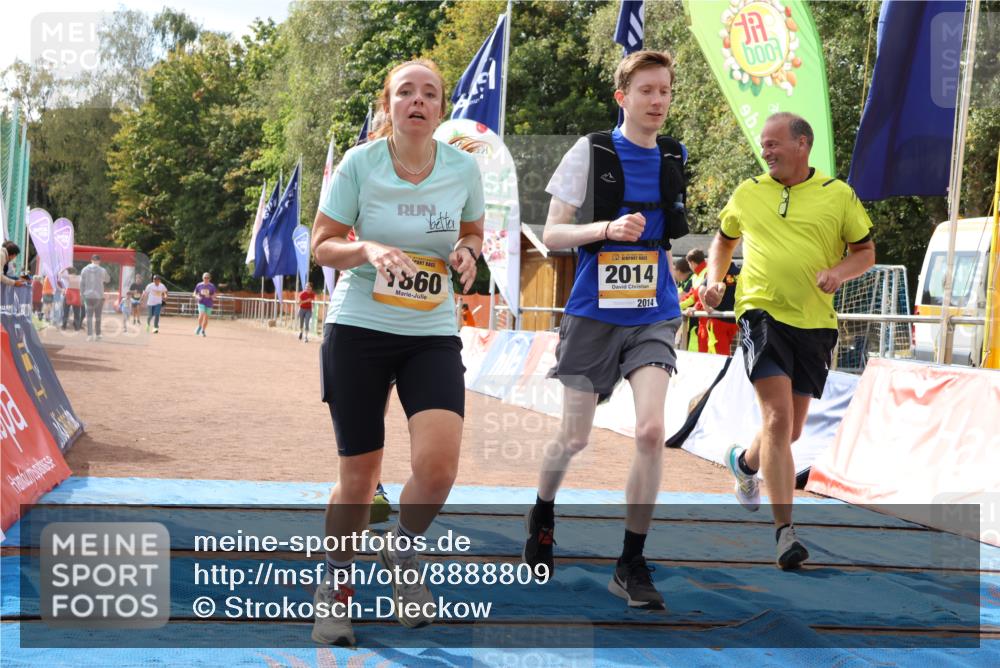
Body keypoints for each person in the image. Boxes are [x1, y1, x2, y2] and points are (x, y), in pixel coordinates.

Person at [310, 58, 484, 646]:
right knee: (359, 481)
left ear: (441, 108)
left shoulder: (462, 167)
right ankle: (336, 587)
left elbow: (473, 231)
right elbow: (322, 245)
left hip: (431, 330)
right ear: (388, 105)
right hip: (359, 327)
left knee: (438, 469)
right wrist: (367, 249)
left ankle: (402, 552)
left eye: (429, 93)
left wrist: (467, 251)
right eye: (405, 92)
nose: (417, 101)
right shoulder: (360, 163)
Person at [522, 49, 688, 611]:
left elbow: (662, 236)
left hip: (654, 310)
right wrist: (607, 229)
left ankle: (630, 563)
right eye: (647, 91)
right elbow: (552, 234)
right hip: (594, 311)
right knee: (575, 437)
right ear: (623, 97)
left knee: (651, 432)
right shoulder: (591, 151)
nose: (658, 100)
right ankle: (543, 512)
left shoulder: (674, 154)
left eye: (665, 90)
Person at [700, 112, 875, 570]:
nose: (766, 151)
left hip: (815, 323)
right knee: (777, 419)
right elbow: (723, 240)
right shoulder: (748, 192)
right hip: (761, 313)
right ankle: (785, 534)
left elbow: (865, 252)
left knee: (791, 430)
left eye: (774, 143)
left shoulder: (838, 195)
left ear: (802, 144)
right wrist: (715, 281)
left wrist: (838, 272)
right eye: (764, 144)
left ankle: (745, 464)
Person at [80, 254, 111, 341]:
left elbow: (81, 284)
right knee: (98, 316)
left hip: (88, 296)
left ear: (91, 260)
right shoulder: (102, 270)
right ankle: (98, 335)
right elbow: (108, 280)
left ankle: (90, 335)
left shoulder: (84, 270)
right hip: (98, 296)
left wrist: (82, 295)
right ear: (99, 261)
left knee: (89, 316)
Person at [193, 272, 217, 337]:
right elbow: (194, 293)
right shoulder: (199, 285)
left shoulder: (212, 286)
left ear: (210, 278)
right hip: (201, 302)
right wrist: (197, 297)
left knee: (206, 318)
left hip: (209, 303)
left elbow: (215, 295)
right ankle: (199, 326)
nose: (206, 279)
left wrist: (210, 296)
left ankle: (203, 331)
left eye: (207, 278)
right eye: (205, 277)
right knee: (201, 313)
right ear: (202, 278)